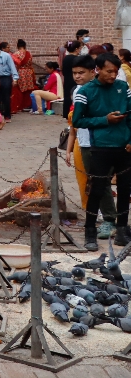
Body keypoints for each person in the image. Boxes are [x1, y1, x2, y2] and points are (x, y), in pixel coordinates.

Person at [71, 52, 131, 248]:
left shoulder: (123, 87)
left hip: (123, 146)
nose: (113, 76)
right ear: (98, 70)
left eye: (116, 71)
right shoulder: (85, 91)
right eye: (109, 72)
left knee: (124, 189)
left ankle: (122, 229)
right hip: (99, 147)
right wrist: (105, 120)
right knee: (96, 189)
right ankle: (90, 231)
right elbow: (78, 121)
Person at [0, 42, 18, 122]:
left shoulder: (6, 56)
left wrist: (15, 78)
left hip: (5, 78)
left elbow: (12, 67)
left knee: (6, 98)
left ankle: (7, 116)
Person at [11, 40, 35, 114]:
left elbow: (14, 65)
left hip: (20, 72)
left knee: (20, 89)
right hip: (29, 72)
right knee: (28, 90)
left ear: (17, 46)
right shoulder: (29, 54)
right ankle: (28, 105)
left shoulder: (16, 54)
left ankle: (19, 106)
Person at [62, 40, 83, 119]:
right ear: (77, 49)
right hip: (74, 80)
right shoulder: (77, 59)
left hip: (67, 80)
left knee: (67, 96)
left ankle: (67, 113)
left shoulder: (66, 58)